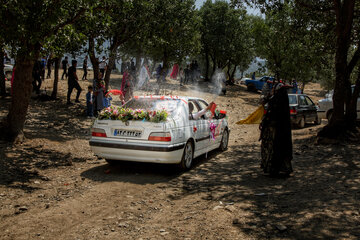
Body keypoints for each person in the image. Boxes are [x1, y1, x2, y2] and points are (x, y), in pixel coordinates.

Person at [259, 82, 293, 177]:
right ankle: (280, 169)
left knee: (273, 149)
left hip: (274, 132)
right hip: (280, 132)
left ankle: (274, 169)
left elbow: (269, 111)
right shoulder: (281, 100)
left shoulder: (276, 101)